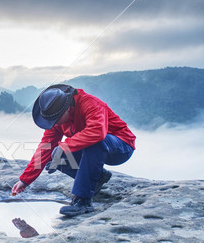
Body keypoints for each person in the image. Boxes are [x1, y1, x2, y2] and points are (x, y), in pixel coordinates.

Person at [12, 84, 136, 216]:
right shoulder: (55, 120)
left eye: (56, 120)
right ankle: (99, 177)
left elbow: (97, 132)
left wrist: (64, 147)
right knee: (56, 159)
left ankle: (83, 201)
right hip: (93, 149)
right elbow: (45, 148)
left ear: (68, 108)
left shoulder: (90, 103)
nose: (55, 124)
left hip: (121, 147)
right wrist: (25, 180)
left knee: (92, 143)